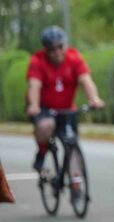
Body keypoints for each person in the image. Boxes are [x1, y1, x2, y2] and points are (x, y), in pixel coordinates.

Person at [26, 26, 104, 171]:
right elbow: (34, 86)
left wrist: (94, 99)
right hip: (45, 109)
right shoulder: (38, 61)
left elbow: (86, 80)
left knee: (72, 144)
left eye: (60, 47)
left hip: (67, 109)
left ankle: (76, 185)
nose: (57, 52)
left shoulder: (74, 59)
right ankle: (42, 152)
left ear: (65, 45)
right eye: (51, 49)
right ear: (45, 50)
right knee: (46, 125)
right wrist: (34, 105)